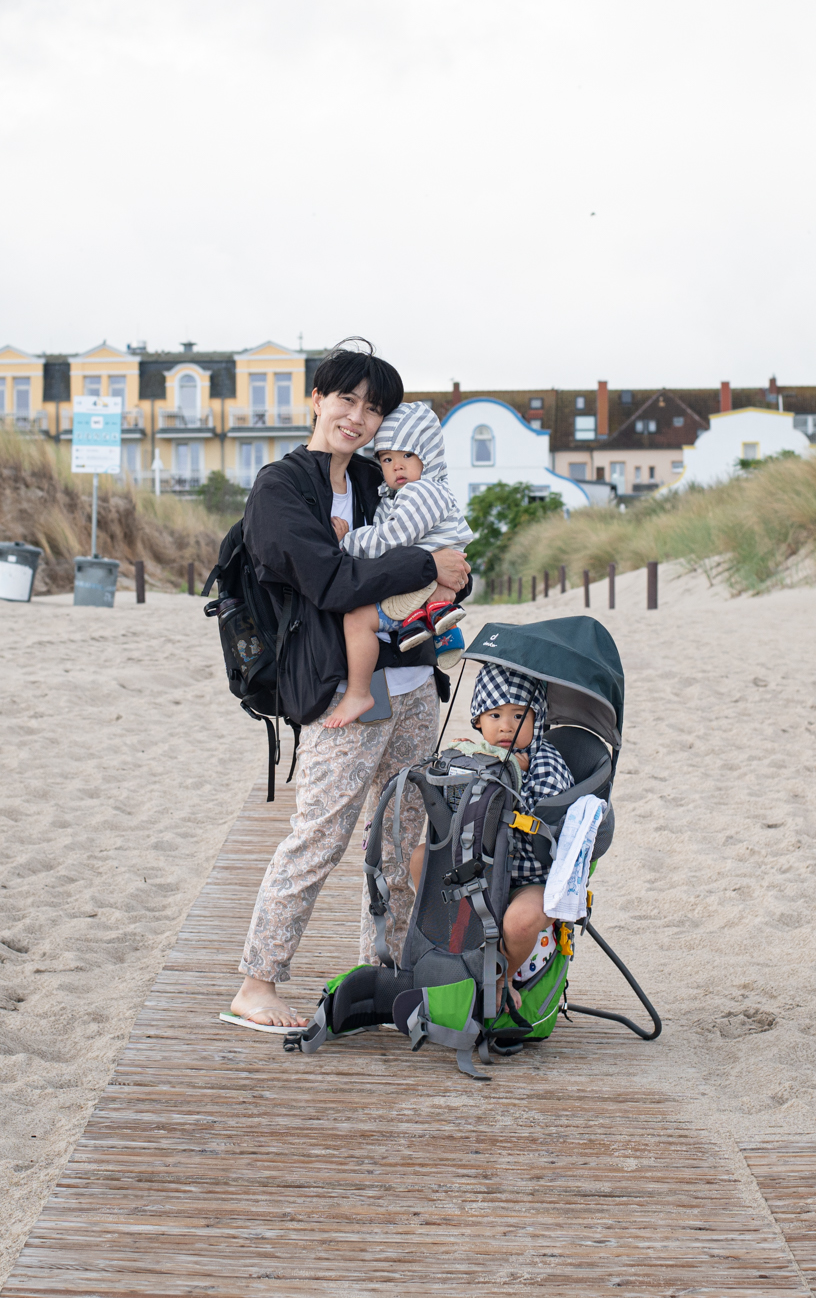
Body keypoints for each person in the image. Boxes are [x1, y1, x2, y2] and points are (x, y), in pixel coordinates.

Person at [225, 342, 472, 1032]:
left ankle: (385, 976)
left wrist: (450, 571)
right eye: (346, 399)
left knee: (401, 841)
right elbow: (331, 581)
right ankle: (257, 983)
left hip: (414, 682)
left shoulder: (375, 477)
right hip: (342, 688)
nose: (357, 417)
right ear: (317, 399)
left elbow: (441, 554)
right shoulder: (280, 489)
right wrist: (426, 562)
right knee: (320, 837)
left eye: (372, 408)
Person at [323, 401, 474, 729]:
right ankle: (437, 623)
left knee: (357, 621)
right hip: (427, 579)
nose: (397, 466)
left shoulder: (422, 492)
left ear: (428, 455)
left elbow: (391, 538)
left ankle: (359, 692)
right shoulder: (406, 494)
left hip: (421, 581)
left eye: (407, 454)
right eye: (387, 459)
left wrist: (346, 542)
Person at [440, 664, 572, 991]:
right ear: (478, 720)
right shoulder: (479, 756)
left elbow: (548, 826)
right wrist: (459, 763)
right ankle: (446, 947)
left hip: (532, 877)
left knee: (519, 922)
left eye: (518, 716)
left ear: (537, 718)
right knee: (420, 859)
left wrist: (516, 776)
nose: (506, 726)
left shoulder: (547, 766)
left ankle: (503, 977)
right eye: (494, 715)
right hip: (482, 867)